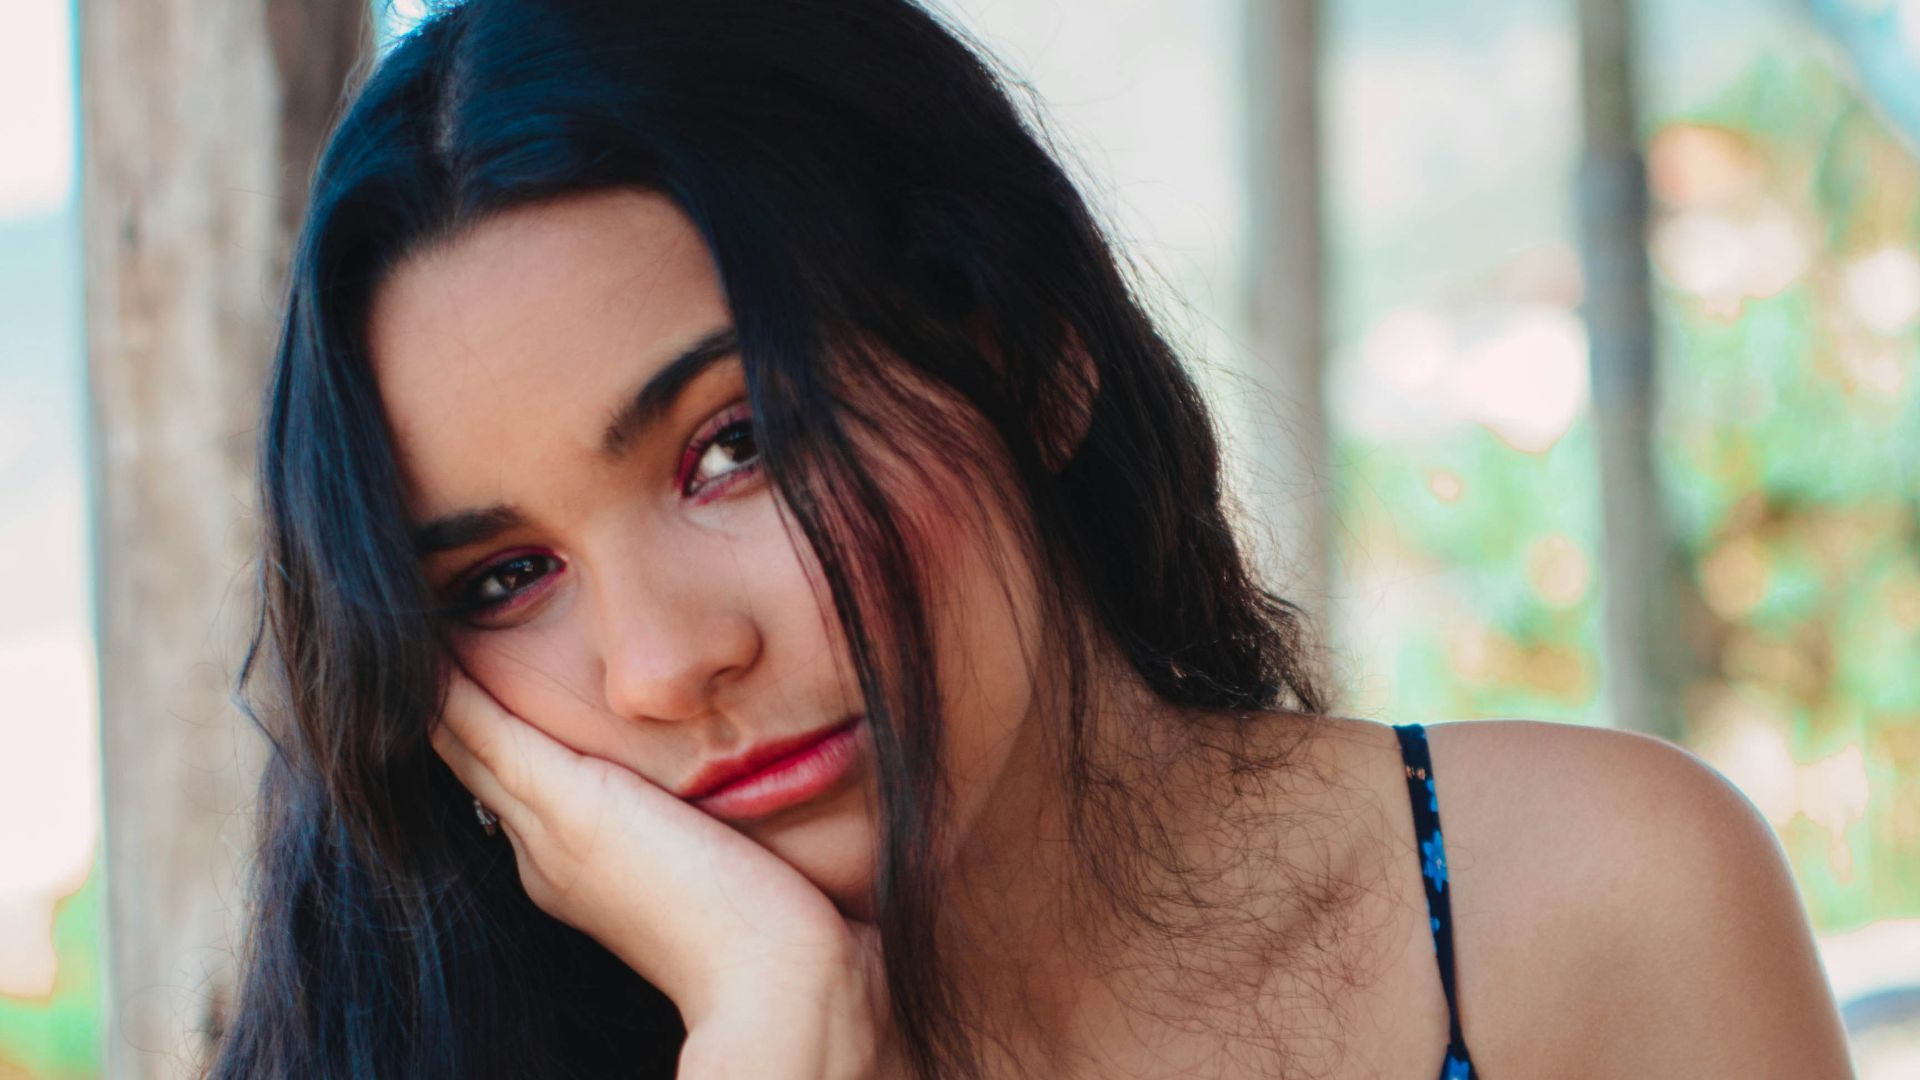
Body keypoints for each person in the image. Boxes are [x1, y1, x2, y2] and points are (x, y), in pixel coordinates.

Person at [209, 1, 1853, 1077]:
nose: (661, 665)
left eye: (737, 446)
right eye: (502, 581)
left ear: (1029, 354)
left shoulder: (1582, 901)